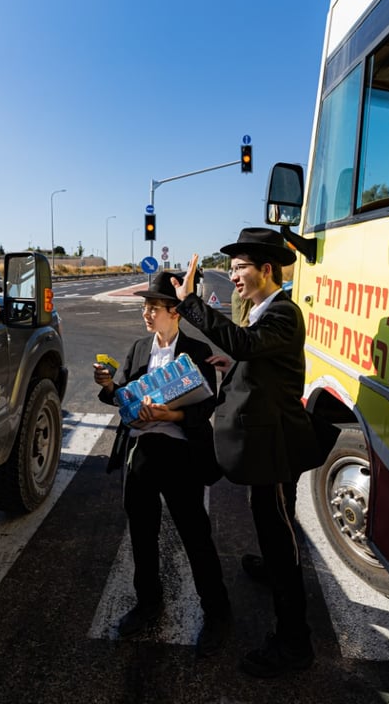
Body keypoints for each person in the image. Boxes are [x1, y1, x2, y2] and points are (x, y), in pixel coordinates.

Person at [170, 227, 323, 678]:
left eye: (240, 268)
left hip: (274, 444)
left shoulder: (283, 313)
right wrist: (232, 363)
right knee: (269, 518)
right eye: (232, 268)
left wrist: (189, 303)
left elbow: (247, 343)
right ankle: (274, 568)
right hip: (263, 442)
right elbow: (252, 354)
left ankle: (294, 644)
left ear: (267, 269)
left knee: (278, 532)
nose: (233, 276)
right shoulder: (262, 311)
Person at [93, 271, 232, 657]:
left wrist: (170, 416)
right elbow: (120, 396)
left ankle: (218, 612)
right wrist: (109, 387)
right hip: (143, 451)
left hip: (182, 453)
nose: (146, 314)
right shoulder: (139, 349)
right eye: (144, 307)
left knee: (195, 534)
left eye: (153, 307)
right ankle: (148, 602)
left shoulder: (197, 352)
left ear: (175, 313)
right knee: (141, 531)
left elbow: (205, 407)